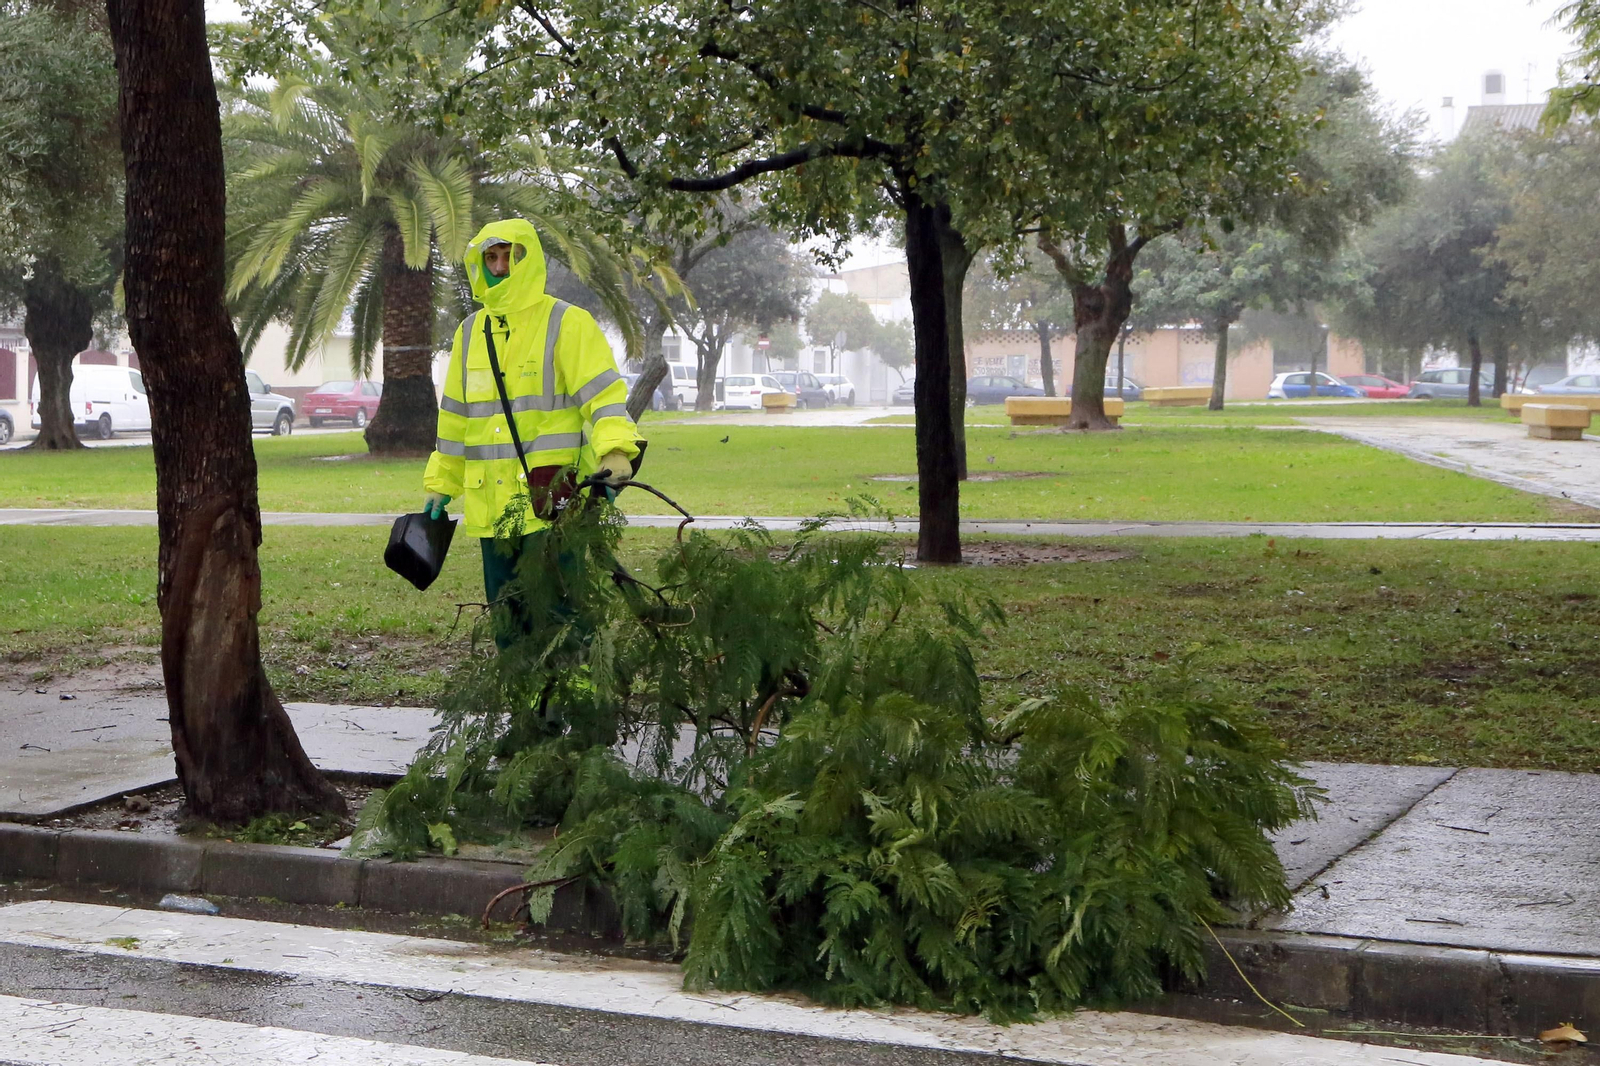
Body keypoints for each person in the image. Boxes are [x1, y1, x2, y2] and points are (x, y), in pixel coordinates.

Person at [422, 218, 642, 648]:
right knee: (509, 625)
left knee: (563, 623)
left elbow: (604, 396)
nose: (500, 266)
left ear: (528, 258)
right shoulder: (469, 333)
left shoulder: (567, 323)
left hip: (551, 505)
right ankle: (526, 713)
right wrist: (440, 484)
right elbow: (454, 420)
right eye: (491, 257)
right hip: (491, 510)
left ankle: (571, 706)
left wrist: (615, 450)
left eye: (509, 255)